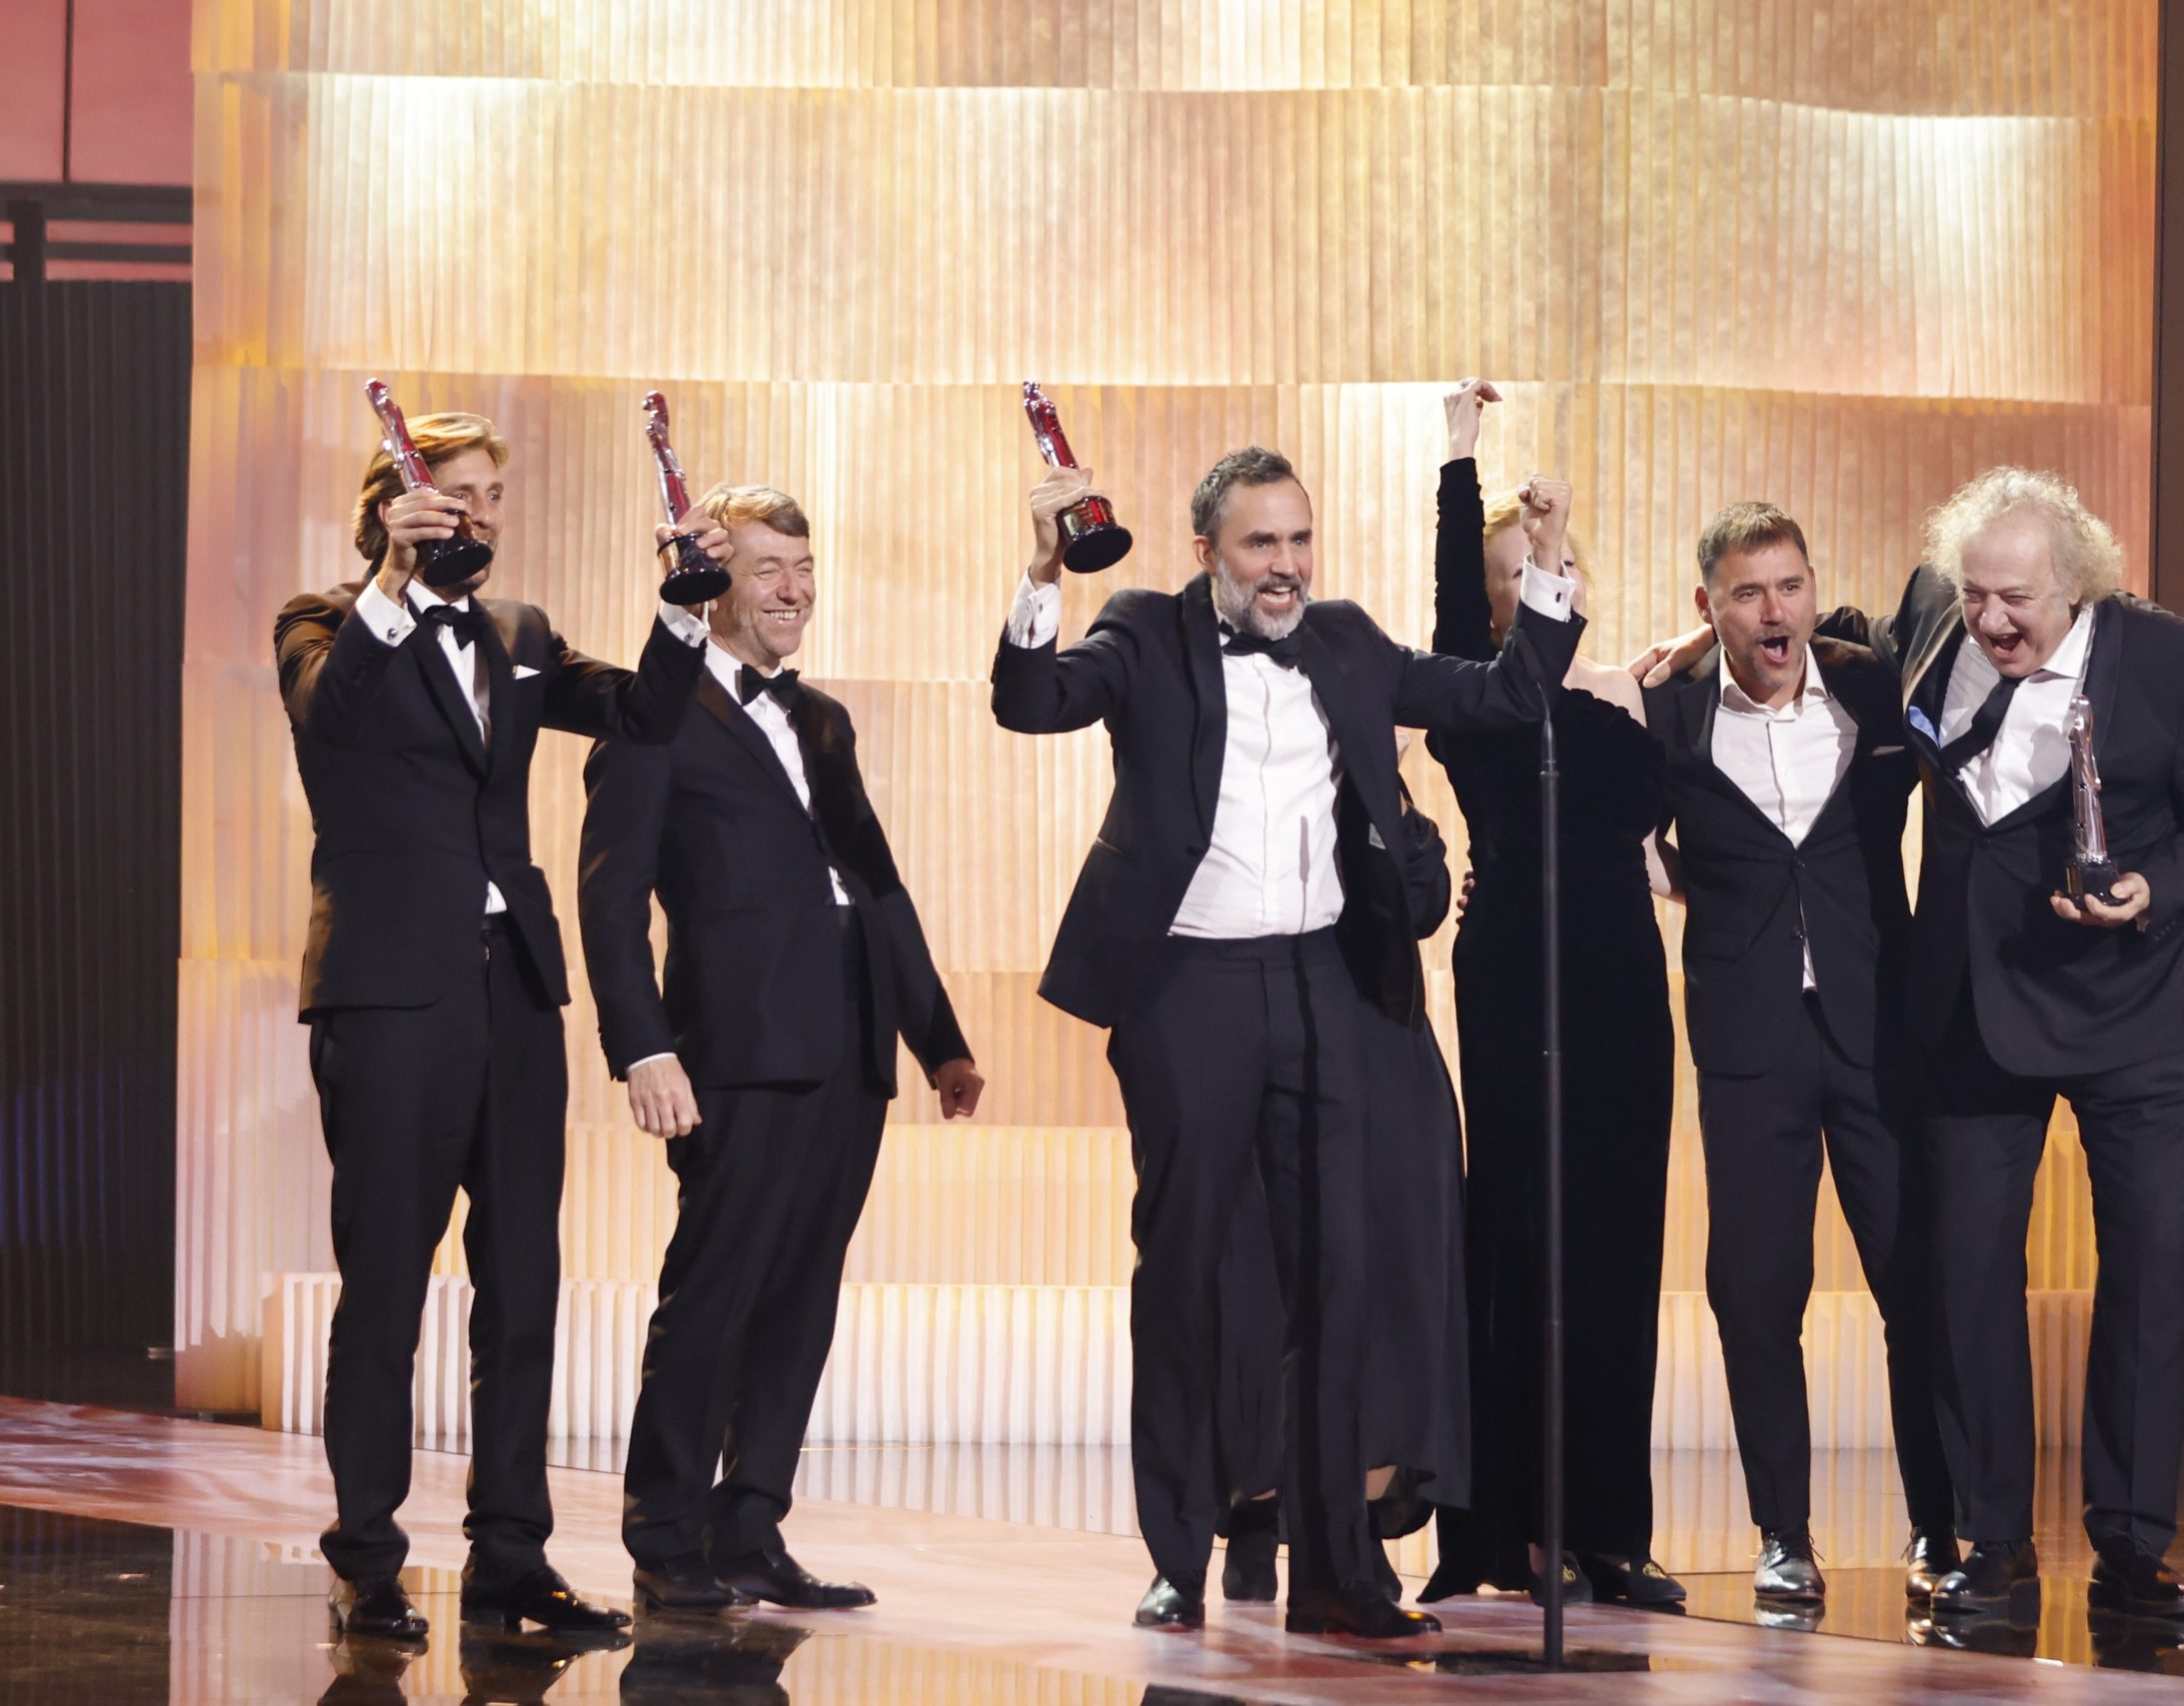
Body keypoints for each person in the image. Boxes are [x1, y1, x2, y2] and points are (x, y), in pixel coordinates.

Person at [1640, 466, 2184, 1625]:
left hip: (2131, 1011)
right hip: (1970, 1009)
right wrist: (1708, 637)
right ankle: (1990, 1544)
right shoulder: (1933, 616)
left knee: (2145, 1273)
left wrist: (2152, 887)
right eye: (1975, 595)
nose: (1990, 620)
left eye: (2015, 600)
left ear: (2076, 586)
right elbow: (1835, 631)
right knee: (1966, 1275)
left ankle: (2131, 1549)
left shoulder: (2171, 662)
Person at [990, 444, 1584, 1638]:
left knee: (1338, 1277)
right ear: (1207, 549)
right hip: (1189, 990)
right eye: (1260, 542)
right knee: (1186, 1273)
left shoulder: (1349, 641)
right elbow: (1030, 700)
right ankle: (1176, 1556)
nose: (1285, 564)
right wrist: (1043, 572)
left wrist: (1552, 560)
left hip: (1325, 985)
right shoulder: (1145, 629)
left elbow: (1509, 693)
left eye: (1299, 539)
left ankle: (1335, 1575)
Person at [276, 409, 714, 1640]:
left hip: (512, 989)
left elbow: (642, 713)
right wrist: (394, 580)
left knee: (523, 1285)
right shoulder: (323, 622)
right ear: (394, 507)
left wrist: (683, 607)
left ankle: (510, 1558)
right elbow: (329, 713)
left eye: (492, 496)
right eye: (455, 493)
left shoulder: (517, 633)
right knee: (385, 1286)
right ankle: (367, 1560)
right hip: (388, 996)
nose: (480, 515)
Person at [578, 484, 982, 1615]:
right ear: (714, 586)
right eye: (767, 569)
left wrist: (937, 1039)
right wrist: (641, 1049)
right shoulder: (652, 715)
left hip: (849, 1048)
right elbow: (608, 902)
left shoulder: (824, 721)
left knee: (802, 1302)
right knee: (712, 1298)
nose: (794, 590)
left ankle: (750, 1527)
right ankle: (664, 1533)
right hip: (735, 1051)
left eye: (804, 568)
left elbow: (877, 886)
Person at [1639, 501, 1956, 1612]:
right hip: (1748, 1044)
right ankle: (1784, 1534)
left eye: (1789, 586)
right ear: (1708, 605)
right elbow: (1619, 822)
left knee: (1916, 1282)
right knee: (1755, 1292)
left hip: (1878, 1037)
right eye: (1746, 593)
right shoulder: (1668, 714)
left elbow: (1933, 605)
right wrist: (1695, 887)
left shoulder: (1873, 688)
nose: (1773, 612)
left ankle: (1941, 1526)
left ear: (1814, 591)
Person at [1413, 381, 1678, 1611]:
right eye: (1509, 575)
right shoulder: (1475, 698)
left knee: (1619, 1245)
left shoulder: (1620, 703)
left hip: (1622, 979)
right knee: (1518, 1237)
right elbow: (1454, 610)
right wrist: (1459, 458)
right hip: (1517, 972)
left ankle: (1608, 1530)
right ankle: (1506, 1531)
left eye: (1546, 566)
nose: (1528, 584)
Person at [1212, 766, 1469, 1605]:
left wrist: (1385, 799)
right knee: (1263, 1281)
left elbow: (1421, 902)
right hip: (1273, 1037)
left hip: (1387, 1055)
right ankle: (1256, 1506)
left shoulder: (1383, 794)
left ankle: (1354, 1521)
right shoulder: (1255, 769)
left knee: (1392, 1288)